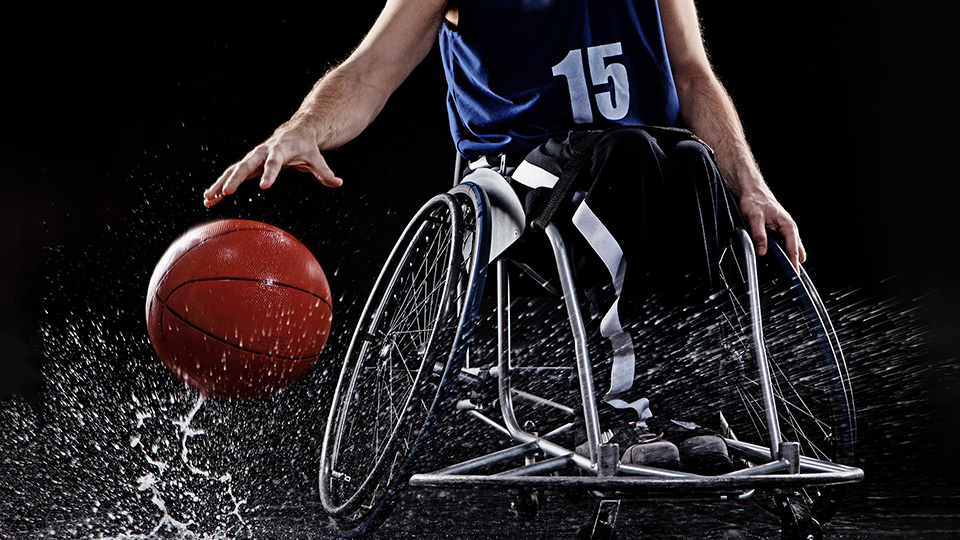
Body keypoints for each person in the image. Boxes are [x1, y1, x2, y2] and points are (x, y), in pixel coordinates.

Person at [203, 0, 804, 473]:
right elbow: (369, 72)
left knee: (690, 159)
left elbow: (694, 76)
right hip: (513, 185)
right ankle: (627, 407)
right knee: (629, 153)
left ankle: (678, 397)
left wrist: (752, 185)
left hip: (637, 172)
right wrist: (302, 127)